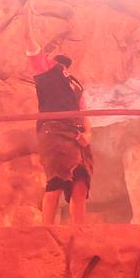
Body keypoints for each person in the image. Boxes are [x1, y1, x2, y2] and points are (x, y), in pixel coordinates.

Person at [27, 51, 91, 223]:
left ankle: (79, 231)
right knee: (56, 181)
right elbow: (33, 51)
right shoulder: (46, 74)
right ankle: (47, 231)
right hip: (55, 131)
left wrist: (88, 133)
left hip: (76, 135)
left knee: (80, 183)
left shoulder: (75, 84)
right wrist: (27, 27)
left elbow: (83, 112)